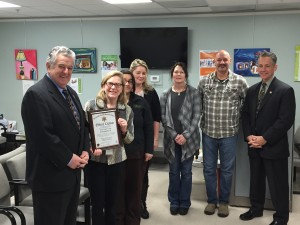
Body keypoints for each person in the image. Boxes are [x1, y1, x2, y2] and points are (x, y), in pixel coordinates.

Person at [21, 46, 90, 225]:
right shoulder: (36, 94)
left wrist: (85, 149)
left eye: (70, 67)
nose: (66, 71)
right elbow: (42, 137)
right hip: (50, 179)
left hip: (71, 176)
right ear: (48, 66)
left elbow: (81, 125)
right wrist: (69, 158)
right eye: (61, 66)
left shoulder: (70, 92)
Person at [240, 51, 296, 225]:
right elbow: (246, 115)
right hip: (254, 145)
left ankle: (280, 218)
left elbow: (285, 120)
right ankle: (256, 209)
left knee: (278, 184)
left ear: (275, 67)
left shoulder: (285, 90)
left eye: (267, 66)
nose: (263, 69)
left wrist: (264, 138)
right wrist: (249, 135)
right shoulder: (251, 90)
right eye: (260, 66)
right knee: (255, 180)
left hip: (273, 146)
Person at [197, 50, 248, 217]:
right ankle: (212, 201)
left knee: (226, 170)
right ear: (214, 62)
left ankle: (224, 202)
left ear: (230, 61)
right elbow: (198, 105)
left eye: (225, 59)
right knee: (209, 169)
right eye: (219, 60)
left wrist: (237, 115)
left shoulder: (240, 81)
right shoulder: (204, 81)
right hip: (208, 133)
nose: (222, 62)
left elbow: (246, 104)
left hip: (229, 133)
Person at [84, 71, 134, 225]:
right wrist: (91, 146)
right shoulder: (91, 105)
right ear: (104, 85)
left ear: (122, 88)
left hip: (117, 161)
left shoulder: (126, 110)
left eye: (118, 84)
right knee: (97, 204)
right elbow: (83, 134)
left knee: (113, 204)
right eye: (110, 83)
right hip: (96, 161)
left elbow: (130, 139)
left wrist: (125, 130)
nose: (114, 87)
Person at [160, 62, 201, 215]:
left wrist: (185, 135)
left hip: (189, 140)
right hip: (171, 140)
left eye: (181, 72)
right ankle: (174, 201)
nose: (178, 74)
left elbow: (196, 116)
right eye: (176, 72)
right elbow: (163, 118)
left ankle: (184, 202)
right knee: (173, 171)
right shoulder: (165, 94)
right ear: (172, 75)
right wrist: (175, 135)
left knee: (187, 172)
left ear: (186, 75)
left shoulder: (194, 93)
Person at [116, 70, 154, 225]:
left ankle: (132, 221)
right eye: (123, 81)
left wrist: (149, 150)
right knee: (118, 191)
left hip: (136, 153)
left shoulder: (141, 102)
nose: (127, 84)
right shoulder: (111, 101)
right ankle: (118, 220)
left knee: (134, 191)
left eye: (130, 81)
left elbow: (148, 126)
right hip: (116, 154)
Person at [129, 58, 161, 219]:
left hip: (143, 142)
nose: (140, 76)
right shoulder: (124, 91)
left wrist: (155, 140)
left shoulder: (150, 93)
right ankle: (128, 204)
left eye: (143, 73)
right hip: (125, 144)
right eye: (137, 73)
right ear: (131, 73)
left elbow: (156, 119)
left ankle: (141, 204)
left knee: (143, 175)